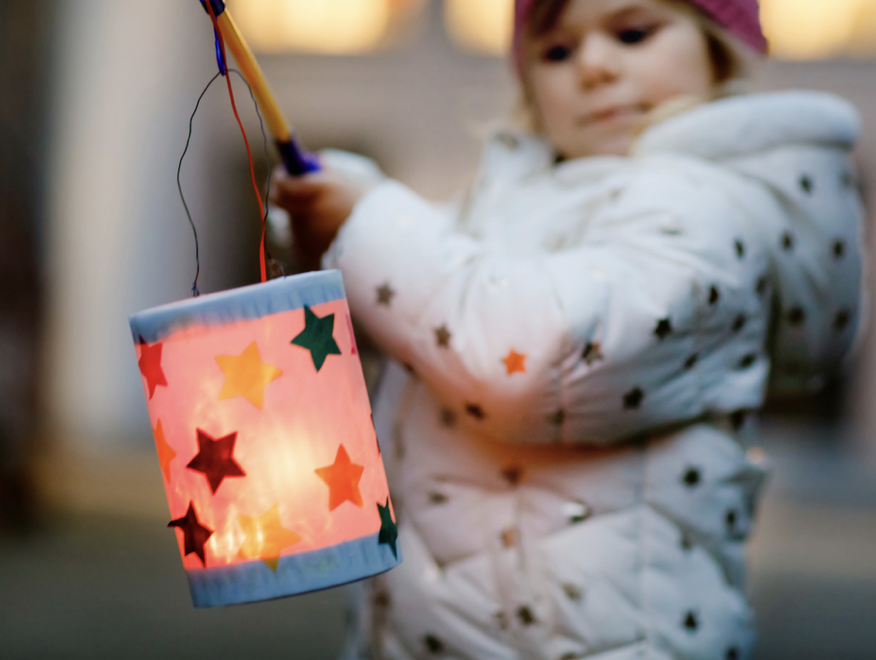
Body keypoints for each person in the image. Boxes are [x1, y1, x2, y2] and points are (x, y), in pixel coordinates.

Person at [270, 0, 865, 657]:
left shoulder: (707, 216)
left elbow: (527, 355)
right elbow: (449, 286)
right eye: (556, 51)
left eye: (632, 32)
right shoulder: (530, 196)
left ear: (719, 44)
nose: (594, 67)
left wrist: (371, 225)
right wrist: (341, 212)